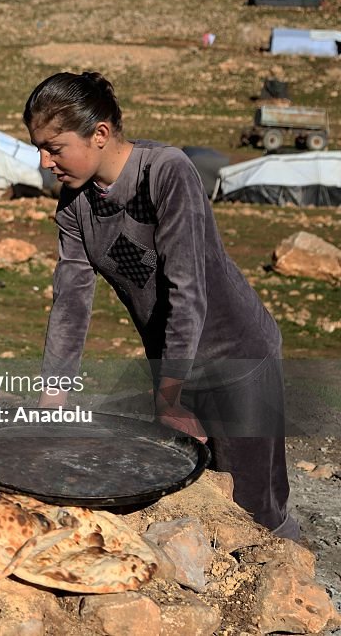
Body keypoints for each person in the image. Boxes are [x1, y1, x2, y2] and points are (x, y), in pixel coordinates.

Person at [23, 71, 298, 539]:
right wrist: (53, 402)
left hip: (236, 354)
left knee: (254, 508)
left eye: (54, 147)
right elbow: (70, 306)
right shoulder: (75, 206)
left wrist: (169, 397)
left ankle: (300, 603)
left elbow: (186, 290)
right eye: (38, 149)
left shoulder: (166, 172)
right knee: (189, 497)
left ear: (101, 133)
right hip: (174, 363)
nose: (45, 162)